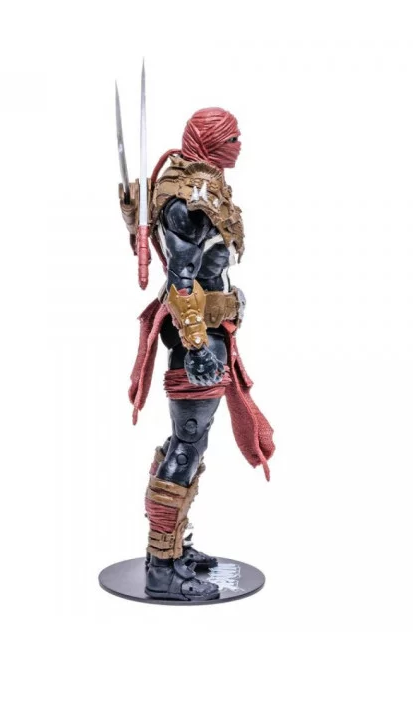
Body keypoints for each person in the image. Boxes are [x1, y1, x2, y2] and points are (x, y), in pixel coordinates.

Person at [125, 107, 275, 601]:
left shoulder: (202, 188)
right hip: (199, 339)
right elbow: (181, 281)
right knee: (186, 445)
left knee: (190, 442)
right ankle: (161, 569)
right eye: (231, 138)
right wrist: (194, 346)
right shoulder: (187, 203)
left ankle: (173, 549)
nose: (239, 144)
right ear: (209, 143)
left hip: (213, 333)